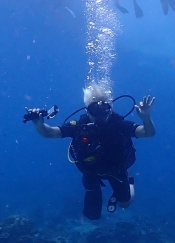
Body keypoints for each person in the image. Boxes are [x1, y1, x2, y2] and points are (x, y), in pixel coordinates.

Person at [30, 85, 156, 220]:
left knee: (124, 204)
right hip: (91, 171)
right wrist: (39, 124)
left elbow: (148, 133)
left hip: (117, 169)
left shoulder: (120, 125)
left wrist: (146, 118)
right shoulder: (78, 126)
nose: (99, 115)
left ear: (110, 109)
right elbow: (49, 133)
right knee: (91, 215)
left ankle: (130, 180)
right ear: (87, 110)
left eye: (103, 109)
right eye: (94, 109)